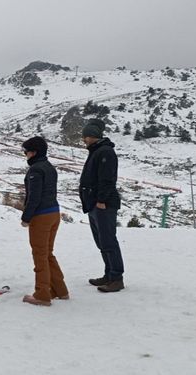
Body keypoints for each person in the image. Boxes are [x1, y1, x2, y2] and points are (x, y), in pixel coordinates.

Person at [20, 136, 69, 306]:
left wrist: (26, 218)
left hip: (41, 216)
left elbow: (34, 197)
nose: (25, 155)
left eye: (26, 152)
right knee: (47, 253)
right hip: (54, 213)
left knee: (39, 255)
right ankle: (60, 290)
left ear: (33, 152)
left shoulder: (35, 170)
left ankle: (42, 294)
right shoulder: (49, 167)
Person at [79, 118, 125, 293]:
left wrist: (102, 201)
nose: (83, 140)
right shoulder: (97, 151)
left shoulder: (105, 152)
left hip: (102, 205)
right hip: (94, 204)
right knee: (101, 241)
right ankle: (108, 274)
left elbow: (107, 179)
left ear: (92, 136)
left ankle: (116, 277)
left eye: (85, 137)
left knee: (108, 241)